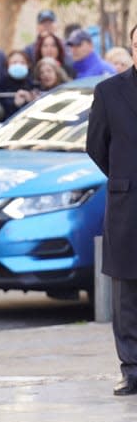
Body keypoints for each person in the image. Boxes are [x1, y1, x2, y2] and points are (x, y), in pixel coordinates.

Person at [86, 23, 137, 396]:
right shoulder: (109, 91)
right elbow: (96, 145)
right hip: (128, 202)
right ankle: (132, 368)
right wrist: (123, 177)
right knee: (127, 292)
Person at [0, 50, 38, 120]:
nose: (18, 65)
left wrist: (32, 101)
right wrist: (14, 104)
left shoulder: (34, 86)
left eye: (22, 63)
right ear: (7, 65)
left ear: (28, 65)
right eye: (14, 63)